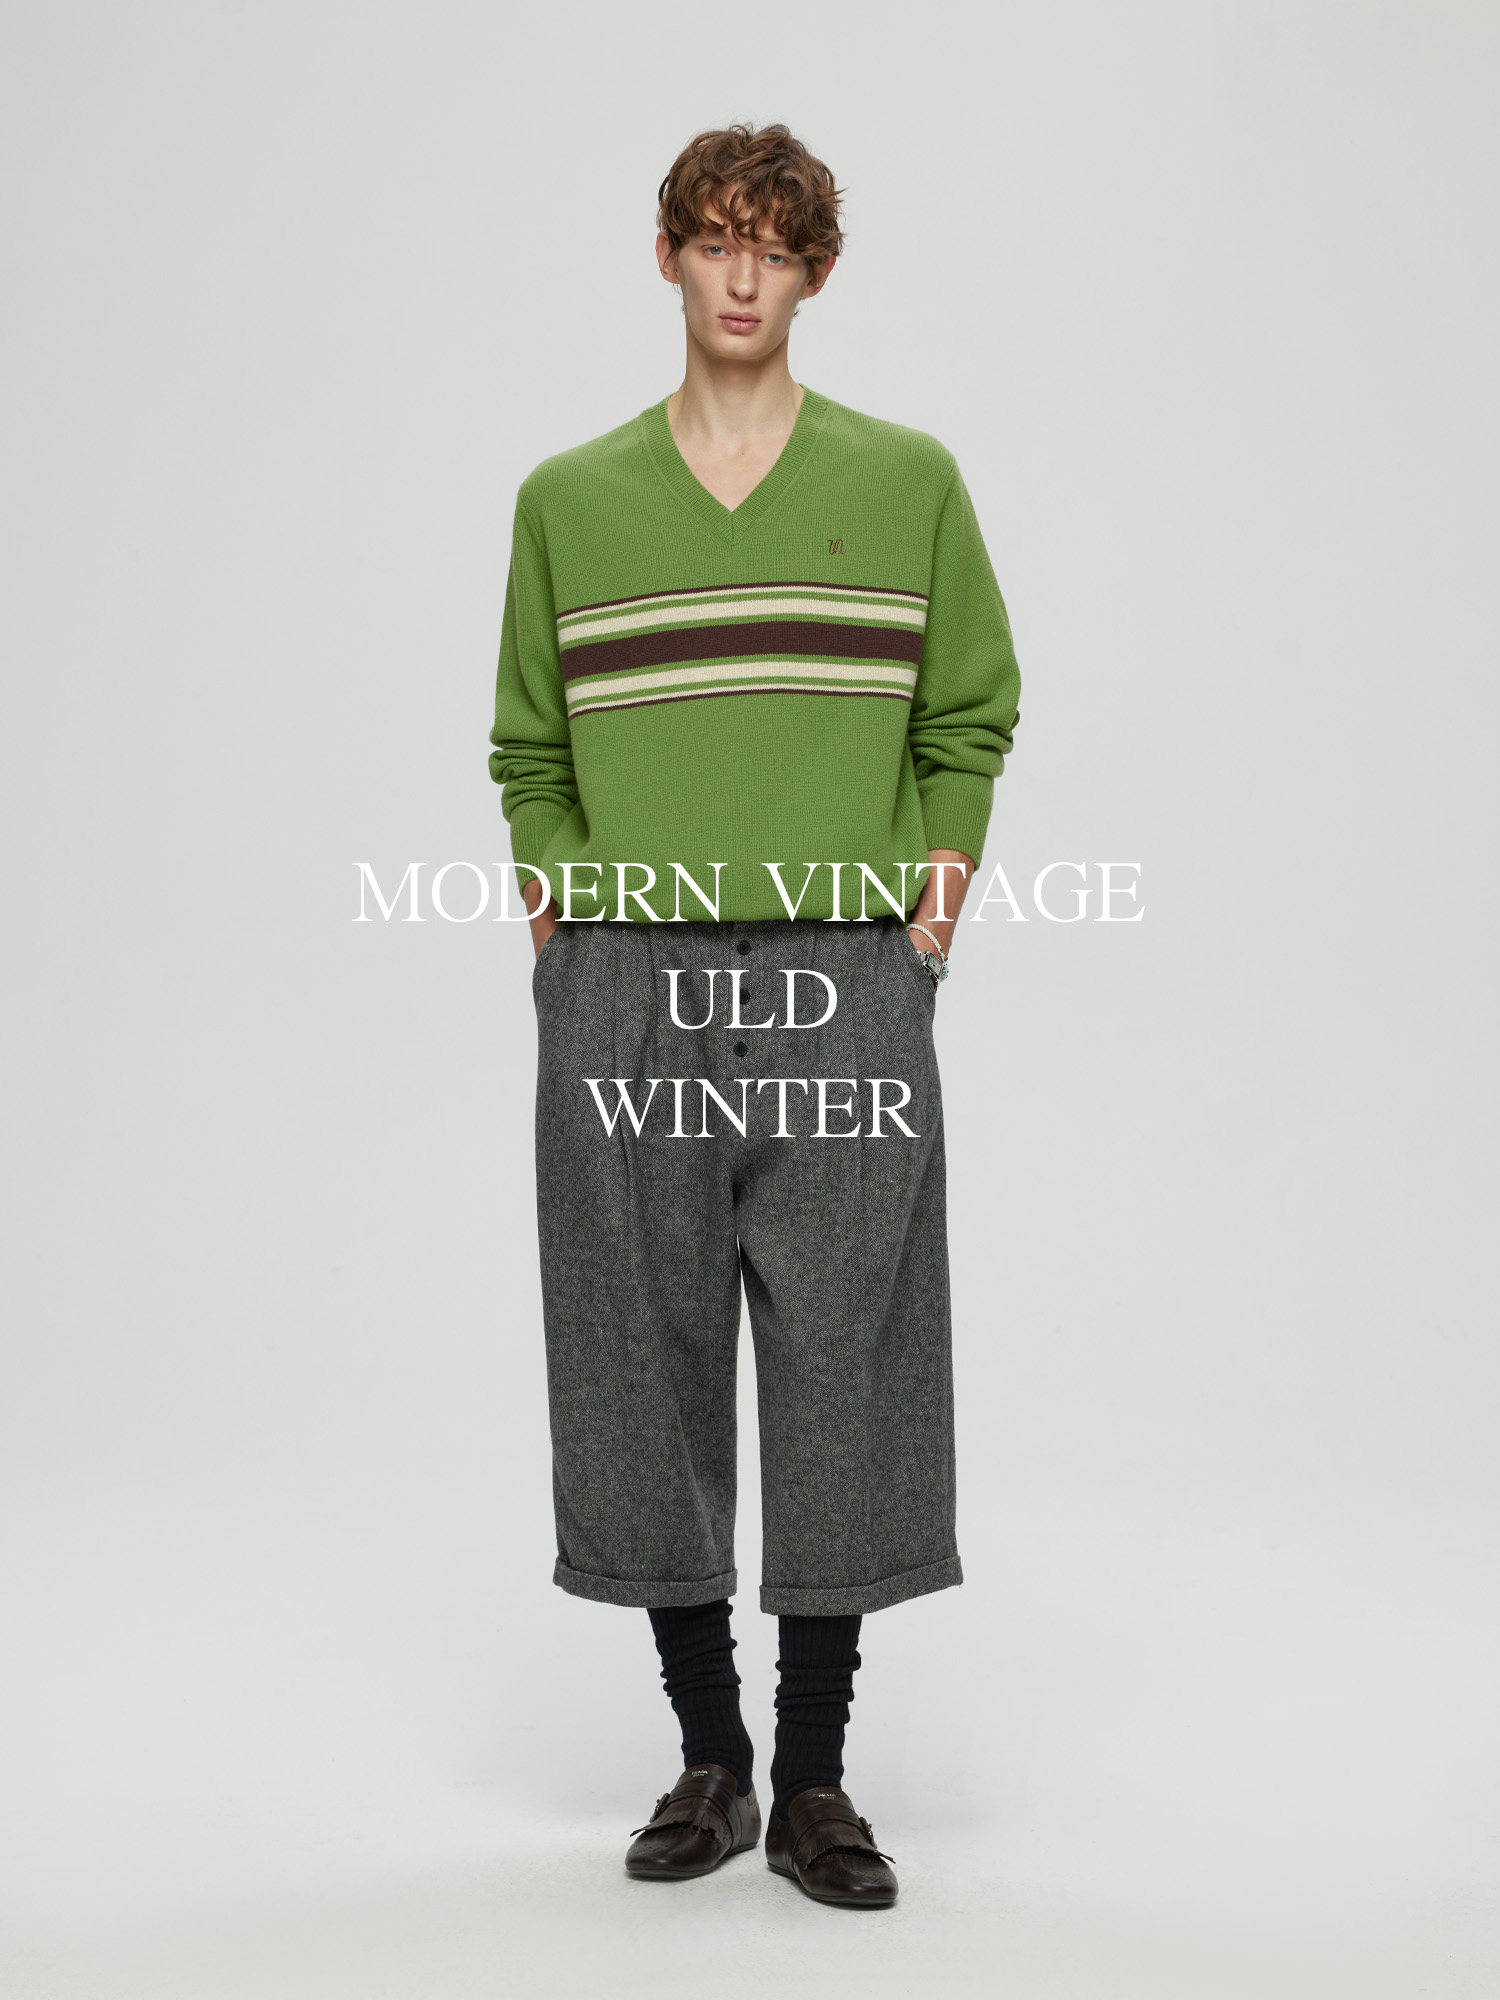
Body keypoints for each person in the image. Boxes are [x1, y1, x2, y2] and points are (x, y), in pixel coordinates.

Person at [488, 121, 1021, 1909]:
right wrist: (563, 909)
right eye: (713, 241)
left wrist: (932, 900)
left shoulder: (909, 479)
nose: (741, 275)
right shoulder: (571, 500)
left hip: (842, 974)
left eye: (773, 247)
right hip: (627, 979)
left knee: (848, 1353)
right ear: (667, 257)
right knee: (634, 1349)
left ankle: (813, 1778)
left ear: (814, 273)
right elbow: (528, 744)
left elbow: (968, 710)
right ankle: (708, 1754)